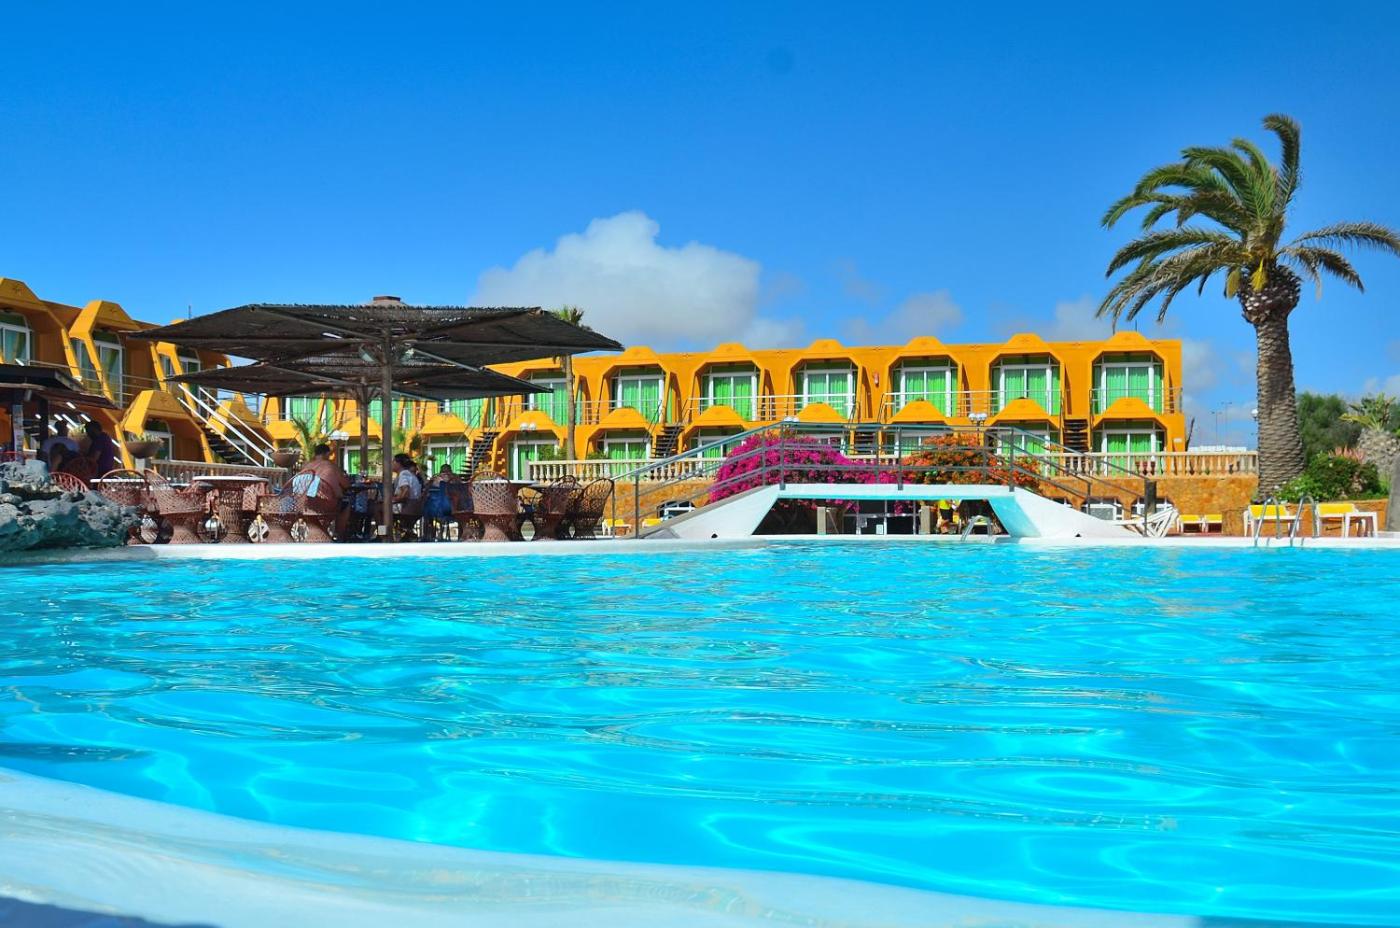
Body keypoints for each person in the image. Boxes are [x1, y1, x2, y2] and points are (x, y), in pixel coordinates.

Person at [296, 443, 352, 537]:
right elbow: (346, 485)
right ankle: (339, 535)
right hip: (326, 505)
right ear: (326, 454)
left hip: (305, 505)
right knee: (346, 504)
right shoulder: (331, 466)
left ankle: (315, 532)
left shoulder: (306, 467)